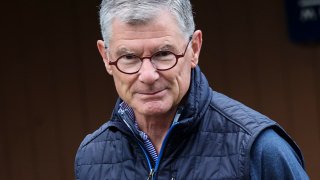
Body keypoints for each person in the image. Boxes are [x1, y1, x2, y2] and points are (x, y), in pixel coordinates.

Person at [75, 0, 309, 179]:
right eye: (128, 57)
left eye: (163, 54)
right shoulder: (91, 158)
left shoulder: (259, 148)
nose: (147, 75)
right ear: (106, 57)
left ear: (194, 49)